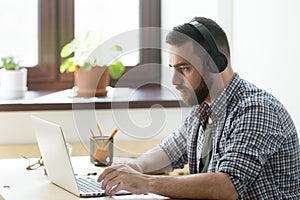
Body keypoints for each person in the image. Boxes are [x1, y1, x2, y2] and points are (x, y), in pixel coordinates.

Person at [97, 17, 300, 199]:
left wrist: (146, 183)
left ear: (216, 64)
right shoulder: (203, 108)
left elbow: (227, 186)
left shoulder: (256, 110)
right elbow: (169, 151)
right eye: (173, 69)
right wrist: (135, 167)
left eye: (184, 69)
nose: (174, 81)